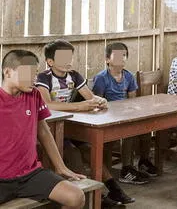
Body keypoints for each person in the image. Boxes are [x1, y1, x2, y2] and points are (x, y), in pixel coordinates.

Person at [35, 39, 133, 207]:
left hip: (72, 126)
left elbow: (90, 97)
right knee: (73, 153)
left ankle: (113, 188)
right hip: (50, 129)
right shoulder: (43, 78)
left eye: (69, 57)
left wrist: (99, 100)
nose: (67, 62)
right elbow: (46, 105)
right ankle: (93, 197)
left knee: (89, 149)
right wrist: (79, 106)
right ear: (50, 62)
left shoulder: (74, 75)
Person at [0, 50, 86, 208]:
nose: (34, 78)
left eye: (36, 74)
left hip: (30, 175)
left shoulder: (34, 95)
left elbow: (44, 131)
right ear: (7, 72)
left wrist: (61, 167)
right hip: (1, 179)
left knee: (76, 197)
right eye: (29, 73)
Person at [92, 42, 157, 184]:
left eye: (124, 56)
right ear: (107, 59)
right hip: (108, 117)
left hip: (125, 114)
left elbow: (132, 100)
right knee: (128, 133)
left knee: (145, 128)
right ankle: (125, 170)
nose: (122, 59)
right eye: (117, 56)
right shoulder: (101, 78)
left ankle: (140, 163)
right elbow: (97, 103)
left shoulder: (128, 77)